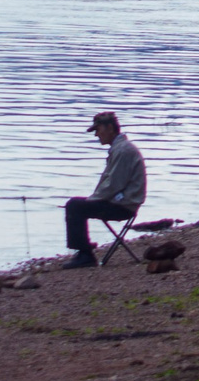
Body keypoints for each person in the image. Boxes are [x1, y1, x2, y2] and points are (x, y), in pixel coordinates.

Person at [61, 110, 147, 269]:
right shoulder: (121, 148)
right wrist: (93, 199)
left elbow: (113, 185)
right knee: (77, 205)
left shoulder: (123, 150)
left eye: (98, 130)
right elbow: (111, 185)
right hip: (122, 203)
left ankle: (85, 254)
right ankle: (84, 249)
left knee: (74, 205)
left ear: (110, 128)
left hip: (123, 207)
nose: (96, 135)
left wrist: (91, 200)